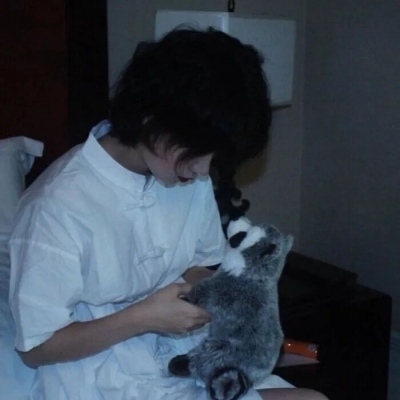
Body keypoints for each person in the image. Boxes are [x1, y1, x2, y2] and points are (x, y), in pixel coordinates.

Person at [8, 28, 328, 400]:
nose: (203, 170)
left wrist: (228, 294)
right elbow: (36, 348)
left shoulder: (184, 177)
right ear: (152, 119)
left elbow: (196, 266)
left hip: (185, 355)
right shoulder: (56, 206)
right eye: (197, 151)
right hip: (100, 373)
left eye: (212, 157)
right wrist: (143, 317)